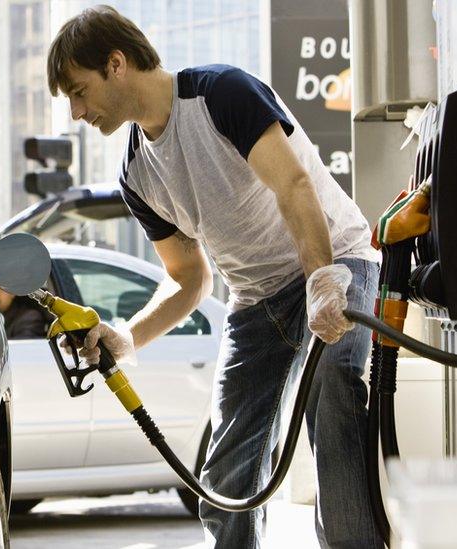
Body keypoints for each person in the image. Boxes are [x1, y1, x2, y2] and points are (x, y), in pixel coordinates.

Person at [46, 6, 381, 548]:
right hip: (256, 302)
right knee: (227, 470)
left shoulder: (222, 94)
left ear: (115, 64)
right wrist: (128, 336)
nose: (77, 112)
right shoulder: (135, 174)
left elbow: (294, 186)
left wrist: (322, 280)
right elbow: (187, 279)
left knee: (334, 392)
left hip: (336, 262)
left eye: (79, 92)